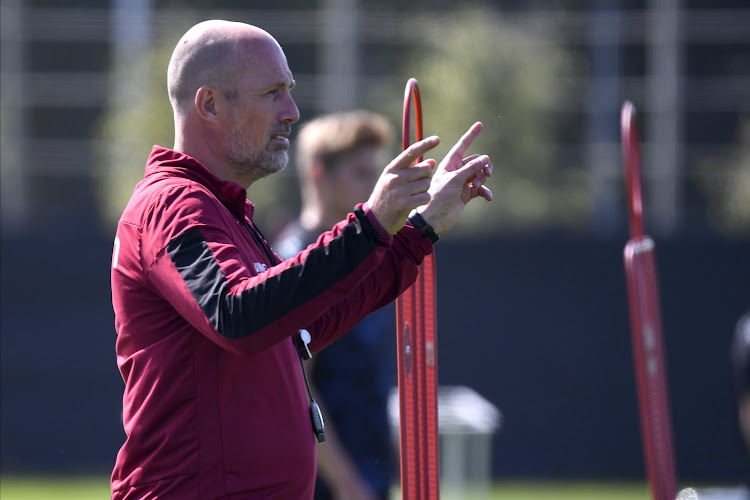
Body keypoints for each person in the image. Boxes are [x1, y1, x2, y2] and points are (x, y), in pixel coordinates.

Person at [110, 19, 493, 500]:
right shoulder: (172, 206)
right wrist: (370, 222)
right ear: (209, 104)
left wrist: (418, 231)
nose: (292, 112)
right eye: (272, 93)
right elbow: (238, 315)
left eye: (288, 91)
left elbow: (302, 332)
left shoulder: (223, 212)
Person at [273, 110, 398, 500]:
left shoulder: (363, 260)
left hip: (369, 474)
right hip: (322, 486)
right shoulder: (293, 262)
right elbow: (297, 390)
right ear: (318, 173)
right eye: (361, 174)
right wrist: (347, 483)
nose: (374, 187)